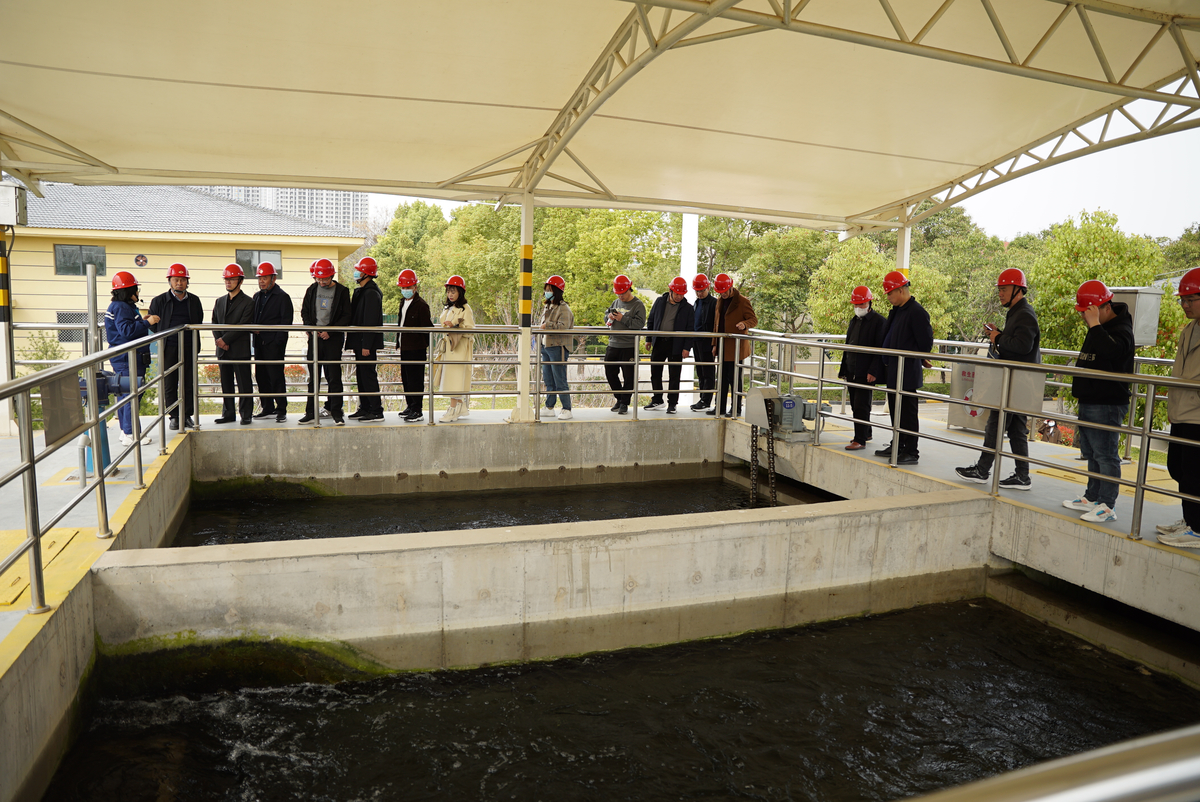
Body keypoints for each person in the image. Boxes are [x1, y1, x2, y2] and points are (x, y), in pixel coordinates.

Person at [955, 268, 1041, 488]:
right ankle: (1022, 475)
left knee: (996, 424)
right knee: (1015, 429)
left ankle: (983, 470)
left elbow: (1023, 346)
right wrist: (998, 333)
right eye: (1000, 290)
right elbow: (1017, 342)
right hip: (1017, 381)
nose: (1000, 294)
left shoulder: (1024, 313)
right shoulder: (1017, 311)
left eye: (1004, 289)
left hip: (1017, 382)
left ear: (1017, 289)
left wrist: (999, 337)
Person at [1061, 279, 1135, 523]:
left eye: (1088, 313)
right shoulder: (1100, 326)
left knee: (1106, 455)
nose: (1085, 318)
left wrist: (1094, 326)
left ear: (1103, 307)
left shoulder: (1121, 328)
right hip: (1091, 399)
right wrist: (1094, 325)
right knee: (1092, 452)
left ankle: (1107, 505)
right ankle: (1093, 497)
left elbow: (1114, 351)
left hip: (1107, 402)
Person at [867, 271, 934, 464]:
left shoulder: (916, 312)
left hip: (906, 371)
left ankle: (911, 451)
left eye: (890, 293)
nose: (888, 298)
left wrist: (919, 357)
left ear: (901, 290)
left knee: (908, 413)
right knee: (897, 410)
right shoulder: (897, 310)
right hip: (893, 369)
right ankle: (898, 443)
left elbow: (925, 343)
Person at [1158, 266, 1200, 548]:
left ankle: (1197, 530)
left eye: (1190, 299)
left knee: (1194, 474)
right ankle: (1190, 521)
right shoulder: (1190, 328)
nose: (1184, 305)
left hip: (1197, 415)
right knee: (1178, 469)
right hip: (1182, 412)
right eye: (1182, 299)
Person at [103, 271, 158, 447]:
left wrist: (141, 320)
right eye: (135, 289)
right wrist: (148, 323)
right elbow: (126, 331)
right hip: (127, 358)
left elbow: (126, 326)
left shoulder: (121, 306)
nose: (137, 293)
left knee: (124, 393)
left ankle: (124, 430)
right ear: (128, 291)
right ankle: (131, 433)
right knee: (131, 393)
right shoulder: (120, 307)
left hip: (125, 357)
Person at [148, 263, 204, 430]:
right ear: (170, 281)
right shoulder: (159, 301)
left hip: (189, 346)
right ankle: (174, 416)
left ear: (187, 282)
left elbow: (198, 320)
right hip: (169, 347)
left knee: (189, 381)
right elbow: (152, 324)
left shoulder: (194, 300)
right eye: (176, 280)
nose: (179, 283)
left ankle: (186, 415)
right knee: (170, 382)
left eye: (182, 280)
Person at [299, 258, 351, 425]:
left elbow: (346, 316)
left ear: (332, 276)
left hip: (333, 339)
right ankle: (310, 412)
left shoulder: (342, 291)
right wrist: (311, 328)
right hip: (315, 339)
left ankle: (336, 412)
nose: (321, 282)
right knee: (313, 377)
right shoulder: (312, 289)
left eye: (324, 279)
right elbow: (305, 312)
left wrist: (331, 330)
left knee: (334, 377)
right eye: (318, 279)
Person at [837, 285, 886, 450]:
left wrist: (874, 371)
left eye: (862, 305)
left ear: (869, 303)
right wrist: (844, 370)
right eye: (856, 305)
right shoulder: (854, 320)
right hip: (852, 369)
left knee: (861, 405)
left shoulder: (879, 322)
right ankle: (866, 432)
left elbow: (880, 349)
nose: (858, 308)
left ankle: (860, 440)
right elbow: (848, 345)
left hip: (866, 371)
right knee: (854, 403)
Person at [251, 261, 294, 423]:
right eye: (260, 278)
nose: (261, 281)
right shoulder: (257, 296)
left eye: (265, 278)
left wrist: (278, 342)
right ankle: (267, 408)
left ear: (273, 278)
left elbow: (286, 322)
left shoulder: (282, 297)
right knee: (261, 376)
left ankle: (281, 409)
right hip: (259, 343)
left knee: (275, 376)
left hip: (274, 344)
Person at [211, 263, 254, 425]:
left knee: (244, 383)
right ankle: (228, 413)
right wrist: (220, 341)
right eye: (226, 279)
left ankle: (246, 414)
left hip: (239, 349)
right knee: (226, 382)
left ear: (240, 281)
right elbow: (214, 322)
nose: (228, 282)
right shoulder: (219, 301)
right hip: (223, 350)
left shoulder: (248, 302)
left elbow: (244, 325)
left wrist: (225, 340)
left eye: (232, 279)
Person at [709, 273, 757, 418]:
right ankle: (720, 407)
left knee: (735, 378)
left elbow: (753, 319)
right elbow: (716, 323)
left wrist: (744, 324)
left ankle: (736, 408)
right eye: (720, 292)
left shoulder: (742, 301)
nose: (722, 294)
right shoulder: (719, 301)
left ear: (730, 287)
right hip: (723, 345)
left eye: (724, 291)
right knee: (722, 378)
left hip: (736, 347)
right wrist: (714, 344)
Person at [644, 276, 694, 414]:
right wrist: (649, 339)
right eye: (677, 293)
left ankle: (672, 404)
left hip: (676, 345)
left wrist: (686, 348)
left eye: (682, 294)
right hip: (659, 342)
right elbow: (651, 320)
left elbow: (691, 330)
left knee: (674, 375)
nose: (679, 296)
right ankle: (657, 400)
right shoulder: (660, 302)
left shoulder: (688, 308)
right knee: (655, 373)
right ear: (670, 290)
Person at [346, 256, 385, 422]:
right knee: (361, 376)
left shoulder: (371, 293)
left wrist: (366, 344)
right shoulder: (362, 291)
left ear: (366, 274)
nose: (356, 273)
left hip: (365, 343)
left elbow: (370, 321)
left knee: (368, 375)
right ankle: (365, 407)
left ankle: (376, 410)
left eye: (359, 270)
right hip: (359, 341)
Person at [603, 274, 646, 415]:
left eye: (622, 293)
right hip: (613, 343)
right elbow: (605, 315)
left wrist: (623, 318)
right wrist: (608, 317)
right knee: (610, 372)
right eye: (618, 294)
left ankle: (624, 403)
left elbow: (640, 324)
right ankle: (620, 398)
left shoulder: (638, 305)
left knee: (629, 376)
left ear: (629, 289)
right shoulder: (615, 303)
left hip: (629, 346)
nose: (620, 296)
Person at [433, 275, 474, 422]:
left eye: (453, 292)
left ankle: (452, 410)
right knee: (451, 377)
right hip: (449, 348)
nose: (450, 295)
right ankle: (460, 407)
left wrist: (455, 326)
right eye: (449, 291)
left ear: (460, 292)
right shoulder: (449, 308)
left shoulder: (465, 309)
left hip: (459, 348)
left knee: (454, 380)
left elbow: (470, 329)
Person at [395, 269, 434, 421]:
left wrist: (421, 344)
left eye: (408, 287)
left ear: (415, 287)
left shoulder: (421, 305)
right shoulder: (403, 302)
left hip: (416, 348)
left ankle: (417, 410)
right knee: (406, 378)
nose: (405, 290)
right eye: (403, 288)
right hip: (405, 347)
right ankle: (410, 405)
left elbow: (427, 328)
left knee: (415, 379)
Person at [539, 275, 575, 420]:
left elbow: (563, 327)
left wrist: (547, 325)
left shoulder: (564, 308)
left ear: (557, 291)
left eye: (550, 289)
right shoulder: (548, 306)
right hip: (546, 346)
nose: (547, 292)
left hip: (558, 347)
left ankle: (567, 409)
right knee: (549, 379)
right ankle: (549, 406)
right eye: (546, 289)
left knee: (560, 379)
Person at [690, 274, 717, 411]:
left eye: (702, 290)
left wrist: (715, 343)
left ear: (708, 287)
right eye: (697, 291)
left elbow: (716, 325)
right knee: (700, 371)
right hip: (696, 340)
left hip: (707, 341)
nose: (700, 293)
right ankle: (702, 398)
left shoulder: (714, 303)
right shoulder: (696, 302)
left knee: (708, 372)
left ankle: (706, 400)